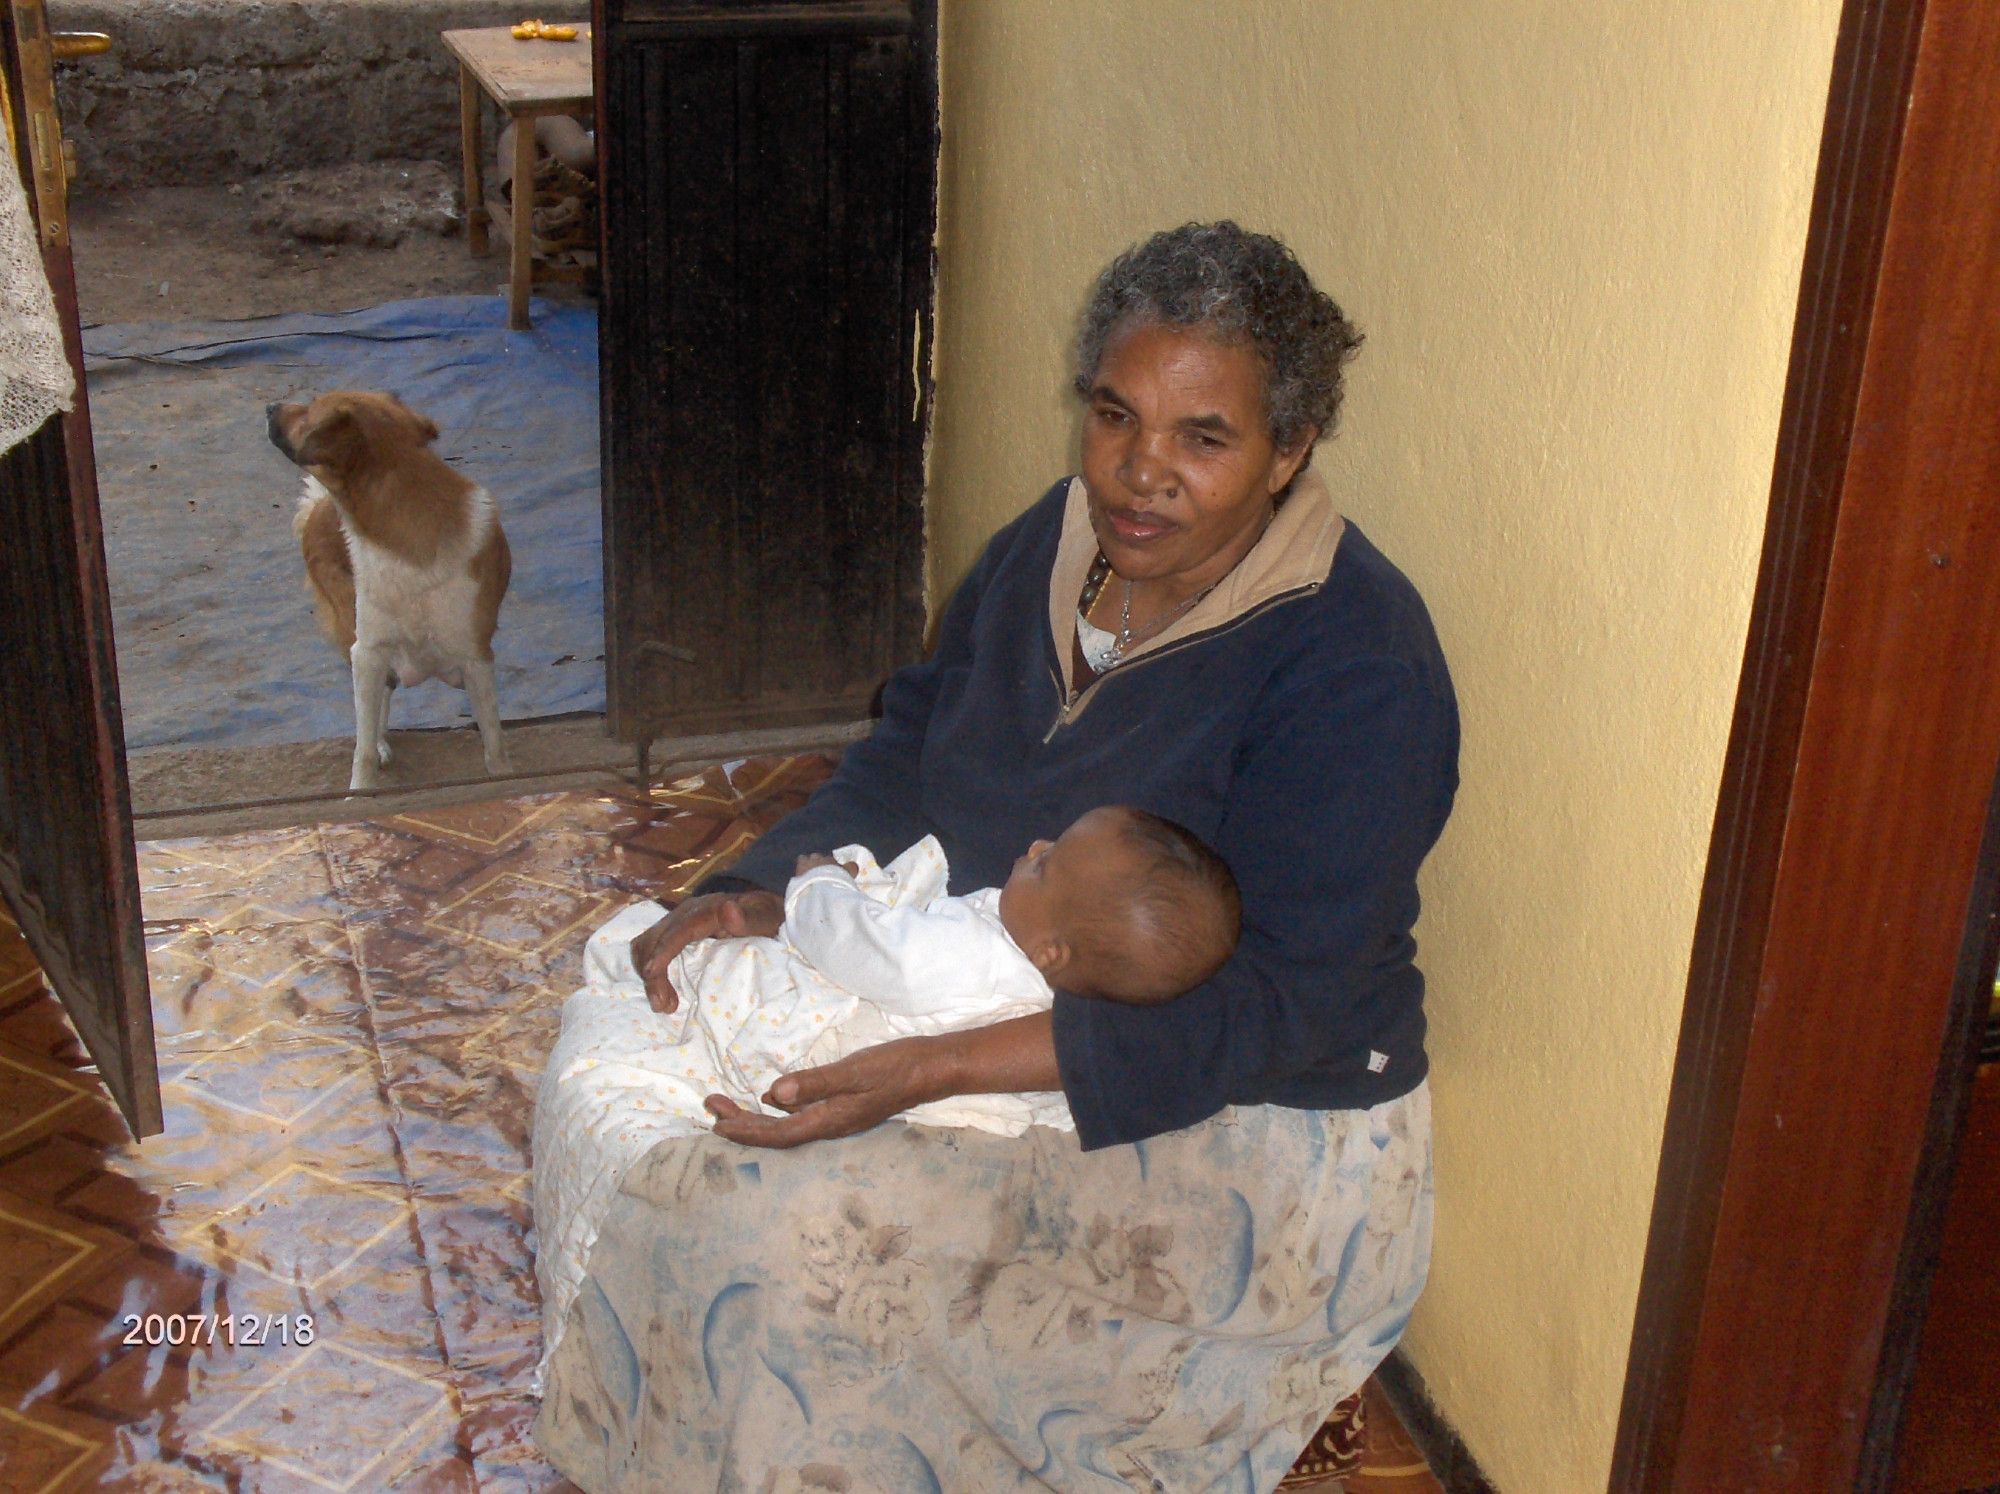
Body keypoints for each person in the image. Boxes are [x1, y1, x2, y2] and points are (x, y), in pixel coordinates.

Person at [533, 220, 1460, 1493]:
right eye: (1113, 415)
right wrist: (748, 893)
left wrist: (924, 1068)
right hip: (984, 983)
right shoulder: (1055, 540)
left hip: (1237, 1111)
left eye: (1204, 438)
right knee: (629, 1027)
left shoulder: (1356, 665)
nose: (1140, 476)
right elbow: (910, 746)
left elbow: (1281, 1004)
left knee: (765, 1221)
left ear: (1290, 449)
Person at [532, 807, 1243, 1388]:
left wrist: (819, 884)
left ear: (1053, 950)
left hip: (813, 1038)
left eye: (1046, 863)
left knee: (685, 979)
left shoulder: (977, 955)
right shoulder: (1047, 980)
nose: (1033, 841)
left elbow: (865, 946)